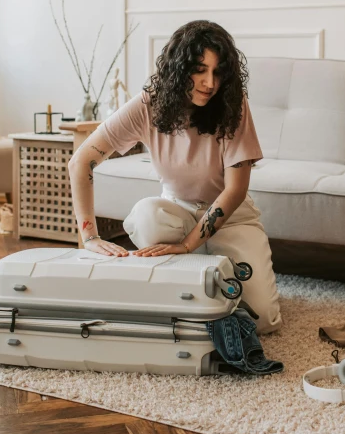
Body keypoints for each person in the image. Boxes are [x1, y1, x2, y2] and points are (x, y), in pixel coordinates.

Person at [68, 20, 281, 334]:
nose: (209, 83)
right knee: (146, 217)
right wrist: (90, 237)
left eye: (218, 72)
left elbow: (235, 190)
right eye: (199, 70)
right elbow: (81, 161)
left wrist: (187, 245)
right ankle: (192, 276)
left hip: (232, 217)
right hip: (176, 212)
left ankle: (204, 261)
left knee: (261, 320)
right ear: (179, 68)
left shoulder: (233, 106)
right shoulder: (148, 104)